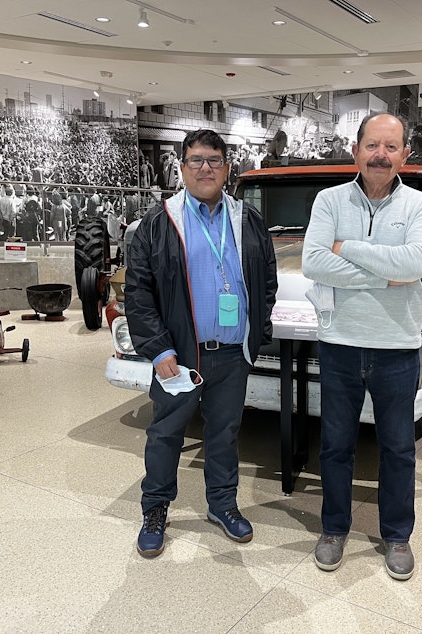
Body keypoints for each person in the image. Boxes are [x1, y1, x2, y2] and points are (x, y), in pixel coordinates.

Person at [125, 129, 278, 558]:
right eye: (196, 160)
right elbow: (138, 292)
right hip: (179, 356)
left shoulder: (247, 220)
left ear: (227, 168)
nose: (205, 167)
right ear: (182, 168)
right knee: (165, 434)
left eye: (214, 159)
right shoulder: (158, 222)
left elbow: (267, 280)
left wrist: (256, 335)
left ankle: (223, 505)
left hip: (231, 355)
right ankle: (155, 508)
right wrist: (158, 349)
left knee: (225, 435)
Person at [301, 112, 422, 581]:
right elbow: (314, 263)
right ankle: (334, 528)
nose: (381, 155)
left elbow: (417, 263)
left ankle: (397, 535)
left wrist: (348, 247)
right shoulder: (328, 199)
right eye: (372, 146)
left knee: (398, 447)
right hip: (339, 344)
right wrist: (389, 274)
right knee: (335, 445)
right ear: (356, 150)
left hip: (397, 346)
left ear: (405, 154)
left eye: (391, 146)